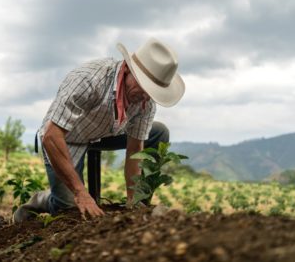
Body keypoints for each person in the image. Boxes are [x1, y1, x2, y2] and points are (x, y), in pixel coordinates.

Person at [13, 37, 185, 222]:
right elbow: (51, 136)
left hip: (104, 133)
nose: (145, 97)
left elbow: (135, 149)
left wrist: (133, 203)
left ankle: (140, 204)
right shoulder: (89, 80)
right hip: (66, 137)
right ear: (128, 70)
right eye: (144, 87)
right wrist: (81, 193)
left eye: (151, 92)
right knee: (69, 209)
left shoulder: (145, 101)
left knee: (159, 132)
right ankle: (43, 199)